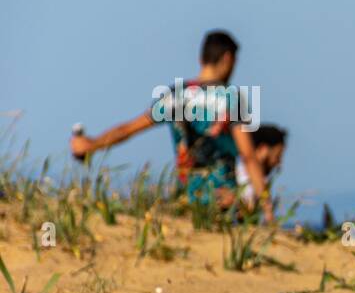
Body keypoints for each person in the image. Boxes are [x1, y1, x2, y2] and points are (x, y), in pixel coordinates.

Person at [69, 30, 274, 221]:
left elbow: (127, 130)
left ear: (201, 59)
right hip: (225, 202)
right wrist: (267, 209)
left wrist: (91, 145)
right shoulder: (232, 99)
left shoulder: (175, 96)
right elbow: (248, 156)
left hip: (188, 201)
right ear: (228, 58)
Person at [238, 124, 287, 212]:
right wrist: (268, 213)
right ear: (263, 149)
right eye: (277, 156)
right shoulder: (239, 171)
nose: (278, 163)